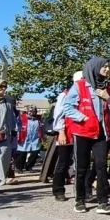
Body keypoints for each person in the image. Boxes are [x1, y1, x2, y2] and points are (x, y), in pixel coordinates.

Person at [63, 56, 110, 215]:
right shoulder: (80, 85)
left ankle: (103, 201)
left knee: (101, 166)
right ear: (94, 67)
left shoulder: (107, 87)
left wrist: (108, 99)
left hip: (101, 132)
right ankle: (80, 200)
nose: (107, 69)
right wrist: (83, 118)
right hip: (83, 132)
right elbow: (67, 107)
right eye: (104, 66)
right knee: (81, 167)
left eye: (109, 67)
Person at [46, 71, 82, 200]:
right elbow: (59, 115)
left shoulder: (85, 95)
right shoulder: (65, 95)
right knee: (63, 162)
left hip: (80, 131)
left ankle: (82, 189)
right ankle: (58, 189)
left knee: (81, 162)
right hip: (66, 132)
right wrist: (61, 131)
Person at [16, 106, 43, 173]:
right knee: (22, 153)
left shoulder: (38, 119)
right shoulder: (21, 117)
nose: (31, 113)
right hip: (24, 137)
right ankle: (20, 168)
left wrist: (42, 136)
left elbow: (41, 128)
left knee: (35, 153)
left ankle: (29, 166)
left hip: (35, 138)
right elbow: (16, 126)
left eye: (33, 111)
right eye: (30, 111)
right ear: (27, 111)